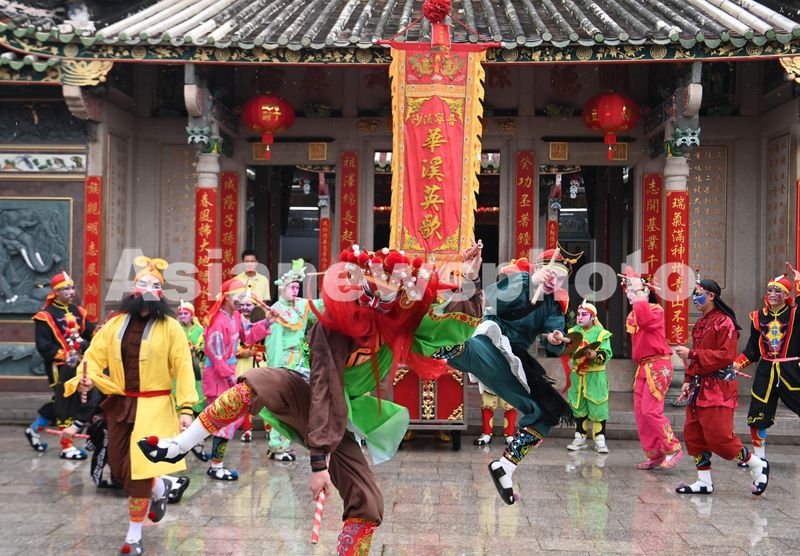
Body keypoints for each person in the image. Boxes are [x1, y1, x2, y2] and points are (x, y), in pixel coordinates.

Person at [137, 243, 484, 555]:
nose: (381, 298)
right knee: (258, 382)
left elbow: (448, 326)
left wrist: (468, 279)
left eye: (392, 292)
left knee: (368, 503)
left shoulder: (400, 324)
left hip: (340, 414)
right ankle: (179, 446)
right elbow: (324, 385)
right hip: (306, 390)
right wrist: (319, 465)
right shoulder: (333, 322)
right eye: (375, 288)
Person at [65, 256, 198, 555]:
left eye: (154, 285)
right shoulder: (115, 324)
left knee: (140, 471)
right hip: (121, 404)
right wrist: (86, 379)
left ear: (161, 293)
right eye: (142, 283)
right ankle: (161, 487)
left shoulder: (171, 328)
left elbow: (183, 369)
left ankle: (133, 536)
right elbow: (94, 357)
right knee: (118, 467)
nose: (148, 289)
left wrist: (187, 409)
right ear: (133, 289)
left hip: (155, 406)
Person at [444, 250, 576, 505]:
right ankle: (425, 339)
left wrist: (556, 339)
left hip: (514, 359)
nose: (554, 281)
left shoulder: (553, 305)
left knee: (548, 412)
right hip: (490, 339)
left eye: (561, 278)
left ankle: (506, 466)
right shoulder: (521, 280)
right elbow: (492, 299)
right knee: (452, 346)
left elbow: (556, 333)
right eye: (551, 274)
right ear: (539, 270)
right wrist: (531, 282)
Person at [673, 279, 769, 495]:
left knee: (719, 437)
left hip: (718, 388)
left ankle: (756, 463)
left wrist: (692, 354)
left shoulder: (725, 322)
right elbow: (697, 357)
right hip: (699, 387)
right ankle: (703, 480)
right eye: (694, 293)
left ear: (712, 296)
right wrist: (688, 379)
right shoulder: (701, 323)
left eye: (699, 293)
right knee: (693, 435)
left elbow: (725, 356)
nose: (695, 298)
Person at [201, 277, 277, 480]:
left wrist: (268, 321)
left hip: (226, 373)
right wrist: (230, 379)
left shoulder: (235, 316)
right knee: (223, 422)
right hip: (217, 376)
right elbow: (216, 356)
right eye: (238, 296)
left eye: (243, 295)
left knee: (222, 420)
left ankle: (197, 447)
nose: (242, 300)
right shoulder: (217, 322)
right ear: (226, 297)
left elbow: (249, 334)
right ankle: (215, 465)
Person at [27, 270, 99, 459]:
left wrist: (104, 332)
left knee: (64, 401)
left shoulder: (77, 311)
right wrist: (65, 355)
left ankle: (35, 429)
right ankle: (66, 446)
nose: (71, 291)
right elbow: (43, 346)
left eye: (72, 287)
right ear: (56, 291)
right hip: (58, 366)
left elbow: (90, 332)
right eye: (65, 288)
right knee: (66, 401)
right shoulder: (45, 316)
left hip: (79, 365)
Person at [734, 269, 800, 463]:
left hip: (792, 370)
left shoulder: (795, 314)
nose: (772, 294)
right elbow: (752, 351)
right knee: (757, 413)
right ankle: (759, 457)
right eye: (770, 290)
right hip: (766, 371)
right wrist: (737, 364)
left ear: (786, 296)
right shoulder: (758, 317)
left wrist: (798, 283)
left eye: (777, 291)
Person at [259, 258, 323, 460]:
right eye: (292, 287)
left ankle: (285, 443)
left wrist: (338, 291)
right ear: (283, 288)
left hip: (301, 360)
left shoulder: (301, 305)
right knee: (283, 403)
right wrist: (275, 369)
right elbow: (274, 343)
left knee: (297, 403)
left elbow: (321, 306)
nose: (295, 291)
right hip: (285, 361)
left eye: (297, 287)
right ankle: (277, 445)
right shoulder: (277, 310)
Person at [621, 270, 683, 470]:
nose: (630, 294)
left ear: (646, 291)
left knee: (650, 410)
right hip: (643, 366)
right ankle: (655, 453)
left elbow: (645, 320)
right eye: (629, 291)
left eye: (634, 290)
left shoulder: (655, 310)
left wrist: (639, 291)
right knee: (641, 413)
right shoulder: (634, 314)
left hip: (658, 364)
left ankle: (673, 448)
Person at [565, 300, 612, 453]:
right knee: (578, 406)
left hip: (595, 376)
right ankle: (579, 437)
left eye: (584, 314)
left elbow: (607, 352)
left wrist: (595, 355)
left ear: (593, 317)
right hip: (577, 376)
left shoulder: (601, 333)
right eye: (578, 314)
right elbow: (566, 349)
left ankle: (600, 439)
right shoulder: (572, 331)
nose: (580, 317)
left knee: (598, 406)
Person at [233, 290, 265, 443]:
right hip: (243, 364)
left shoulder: (263, 321)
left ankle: (270, 429)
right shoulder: (236, 322)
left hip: (261, 362)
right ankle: (247, 429)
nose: (245, 308)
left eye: (249, 305)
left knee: (265, 396)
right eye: (243, 305)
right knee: (245, 397)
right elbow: (231, 343)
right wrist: (241, 352)